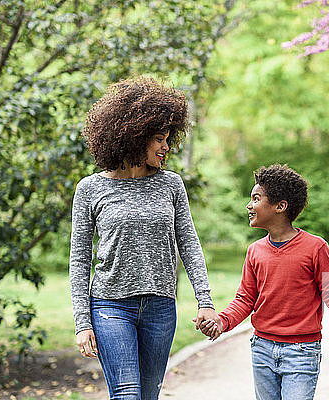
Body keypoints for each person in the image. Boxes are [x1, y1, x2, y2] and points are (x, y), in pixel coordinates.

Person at [69, 76, 220, 400]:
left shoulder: (171, 184)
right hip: (110, 306)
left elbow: (189, 244)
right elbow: (79, 259)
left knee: (148, 396)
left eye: (168, 139)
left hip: (160, 308)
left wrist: (204, 301)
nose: (166, 147)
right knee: (126, 395)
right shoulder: (90, 188)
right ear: (133, 136)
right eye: (158, 139)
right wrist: (83, 322)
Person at [199, 164, 329, 400]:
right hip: (262, 348)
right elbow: (245, 299)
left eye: (256, 198)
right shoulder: (254, 252)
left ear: (280, 206)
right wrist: (222, 322)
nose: (249, 205)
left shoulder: (315, 247)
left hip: (302, 352)